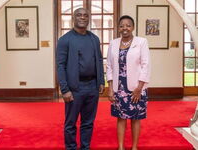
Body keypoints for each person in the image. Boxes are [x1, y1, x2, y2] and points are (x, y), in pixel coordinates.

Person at [56, 8, 105, 150]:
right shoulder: (65, 40)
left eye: (85, 15)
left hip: (92, 87)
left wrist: (101, 80)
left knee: (88, 123)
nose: (82, 17)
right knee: (71, 123)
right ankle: (71, 147)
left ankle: (85, 147)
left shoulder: (94, 39)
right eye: (79, 15)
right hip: (74, 88)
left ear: (88, 19)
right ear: (73, 18)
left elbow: (100, 60)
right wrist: (65, 89)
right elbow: (60, 66)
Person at [106, 15, 151, 150]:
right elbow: (109, 65)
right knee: (120, 117)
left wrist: (139, 88)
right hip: (118, 87)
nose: (125, 28)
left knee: (135, 118)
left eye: (128, 25)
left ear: (133, 27)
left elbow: (146, 65)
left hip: (136, 87)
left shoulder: (141, 42)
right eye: (121, 25)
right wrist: (110, 88)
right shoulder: (113, 43)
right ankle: (120, 147)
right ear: (118, 28)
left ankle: (134, 147)